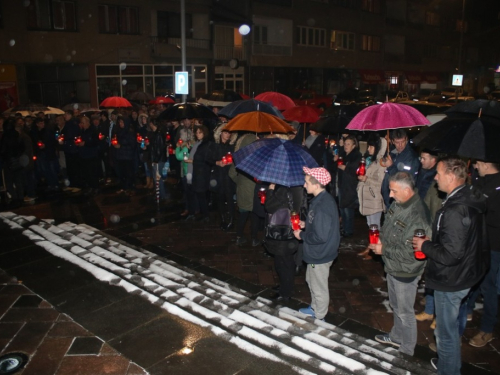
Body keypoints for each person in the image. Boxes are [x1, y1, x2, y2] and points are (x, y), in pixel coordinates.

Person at [413, 156, 489, 374]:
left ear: (452, 175)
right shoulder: (465, 198)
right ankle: (449, 364)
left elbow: (451, 254)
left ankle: (448, 369)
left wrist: (425, 244)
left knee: (445, 335)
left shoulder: (456, 209)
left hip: (452, 278)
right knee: (449, 329)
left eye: (438, 172)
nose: (435, 177)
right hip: (464, 273)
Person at [369, 171, 432, 356]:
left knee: (406, 313)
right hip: (393, 266)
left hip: (406, 271)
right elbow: (388, 227)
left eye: (393, 191)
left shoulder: (417, 216)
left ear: (406, 190)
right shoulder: (400, 203)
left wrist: (384, 250)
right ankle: (397, 337)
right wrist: (380, 240)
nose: (390, 195)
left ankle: (407, 350)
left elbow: (412, 254)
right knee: (396, 306)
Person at [293, 167, 340, 320]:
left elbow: (320, 236)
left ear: (316, 184)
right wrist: (307, 224)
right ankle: (315, 307)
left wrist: (301, 234)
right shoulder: (320, 199)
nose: (304, 185)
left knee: (318, 286)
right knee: (311, 280)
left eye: (307, 182)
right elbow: (320, 225)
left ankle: (320, 316)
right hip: (317, 253)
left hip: (320, 254)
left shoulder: (322, 206)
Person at [468, 161, 500, 348]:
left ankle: (487, 329)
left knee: (488, 286)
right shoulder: (481, 180)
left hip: (493, 245)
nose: (476, 166)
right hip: (478, 241)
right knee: (474, 278)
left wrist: (480, 208)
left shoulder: (497, 185)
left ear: (487, 164)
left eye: (479, 163)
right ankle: (468, 309)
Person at [414, 148, 443, 329]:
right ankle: (430, 310)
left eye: (424, 158)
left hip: (437, 233)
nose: (420, 160)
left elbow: (436, 209)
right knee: (431, 274)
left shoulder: (438, 182)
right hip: (427, 226)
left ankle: (439, 316)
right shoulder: (424, 175)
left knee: (439, 276)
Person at [265, 183, 300, 301]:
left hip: (282, 232)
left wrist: (270, 191)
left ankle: (285, 292)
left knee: (283, 263)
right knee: (286, 261)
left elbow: (269, 206)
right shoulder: (297, 187)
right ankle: (285, 286)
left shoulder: (283, 190)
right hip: (291, 229)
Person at [357, 134, 387, 260]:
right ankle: (371, 247)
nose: (368, 149)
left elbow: (381, 182)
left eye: (371, 146)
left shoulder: (381, 162)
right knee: (371, 225)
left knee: (375, 226)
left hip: (374, 199)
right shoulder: (373, 161)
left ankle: (375, 249)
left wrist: (366, 179)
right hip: (369, 198)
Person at [206, 124, 237, 230]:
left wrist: (232, 161)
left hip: (228, 175)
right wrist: (217, 162)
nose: (227, 135)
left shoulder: (232, 146)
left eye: (229, 133)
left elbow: (237, 158)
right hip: (218, 174)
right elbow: (208, 159)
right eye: (225, 132)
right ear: (220, 133)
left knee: (229, 198)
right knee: (220, 198)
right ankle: (223, 219)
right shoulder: (214, 145)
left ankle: (231, 221)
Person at [380, 129, 420, 209]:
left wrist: (391, 166)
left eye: (402, 141)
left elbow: (405, 180)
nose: (400, 145)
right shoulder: (393, 152)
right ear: (393, 142)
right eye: (397, 142)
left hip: (401, 200)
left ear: (406, 139)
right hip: (390, 199)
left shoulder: (411, 157)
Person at [334, 135, 362, 238]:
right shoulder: (343, 155)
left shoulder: (357, 156)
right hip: (342, 184)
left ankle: (348, 230)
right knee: (342, 208)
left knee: (348, 209)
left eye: (348, 144)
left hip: (350, 186)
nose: (346, 146)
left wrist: (346, 167)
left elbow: (356, 170)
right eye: (345, 144)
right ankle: (344, 228)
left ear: (354, 145)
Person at [184, 125, 212, 222]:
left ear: (204, 133)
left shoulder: (206, 144)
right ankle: (192, 213)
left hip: (199, 174)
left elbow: (205, 159)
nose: (197, 134)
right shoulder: (197, 143)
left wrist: (192, 161)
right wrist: (189, 149)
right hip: (192, 172)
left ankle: (205, 215)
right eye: (197, 132)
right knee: (191, 194)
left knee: (201, 195)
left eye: (200, 132)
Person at [113, 116, 136, 195]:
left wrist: (121, 146)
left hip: (128, 156)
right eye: (119, 122)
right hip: (120, 155)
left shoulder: (130, 132)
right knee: (121, 172)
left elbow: (132, 144)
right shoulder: (119, 131)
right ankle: (124, 187)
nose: (120, 124)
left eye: (122, 122)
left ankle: (130, 188)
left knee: (128, 173)